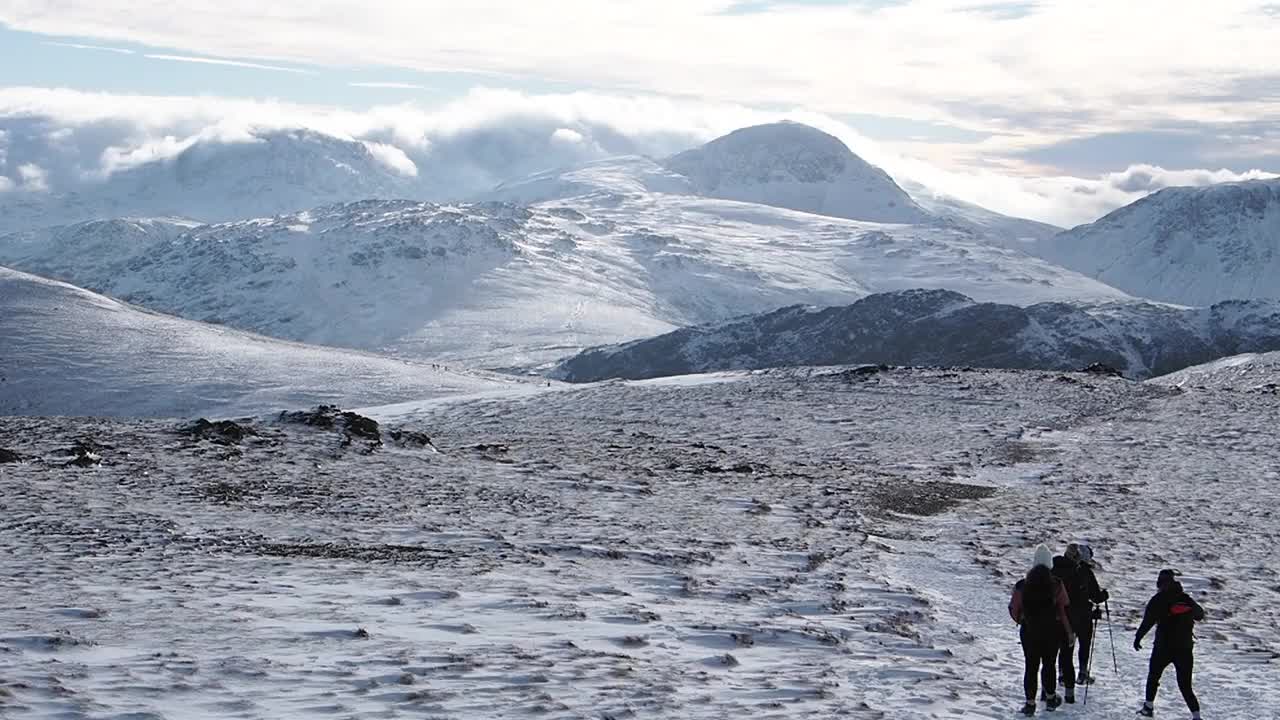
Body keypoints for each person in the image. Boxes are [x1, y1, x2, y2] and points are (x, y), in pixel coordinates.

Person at [1010, 544, 1074, 715]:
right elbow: (1064, 609)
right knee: (1049, 665)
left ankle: (1030, 704)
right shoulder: (1057, 585)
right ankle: (1051, 698)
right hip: (1051, 631)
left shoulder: (1022, 585)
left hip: (1029, 631)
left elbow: (1014, 609)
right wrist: (1068, 632)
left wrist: (1022, 621)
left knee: (1031, 666)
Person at [1134, 569, 1205, 719]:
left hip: (1163, 647)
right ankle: (1196, 716)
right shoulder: (1185, 598)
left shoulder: (1158, 599)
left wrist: (1138, 638)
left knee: (1153, 677)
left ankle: (1148, 708)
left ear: (1160, 583)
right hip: (1185, 648)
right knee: (1185, 686)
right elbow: (1200, 615)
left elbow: (1148, 622)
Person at [1052, 542, 1110, 697]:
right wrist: (1104, 595)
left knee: (1065, 647)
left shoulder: (1055, 569)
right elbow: (1096, 596)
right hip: (1083, 615)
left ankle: (1062, 674)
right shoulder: (1083, 572)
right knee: (1084, 643)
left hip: (1063, 614)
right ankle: (1082, 673)